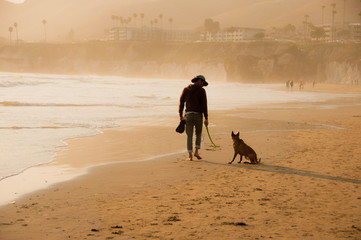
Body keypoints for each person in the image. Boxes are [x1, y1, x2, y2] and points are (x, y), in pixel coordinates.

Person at [179, 75, 209, 161]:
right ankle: (196, 152)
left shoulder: (186, 90)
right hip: (198, 115)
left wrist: (180, 115)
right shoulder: (202, 91)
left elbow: (181, 103)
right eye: (203, 83)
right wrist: (206, 118)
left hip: (188, 115)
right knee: (198, 134)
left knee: (189, 136)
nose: (203, 85)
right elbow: (204, 105)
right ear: (199, 81)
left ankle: (190, 155)